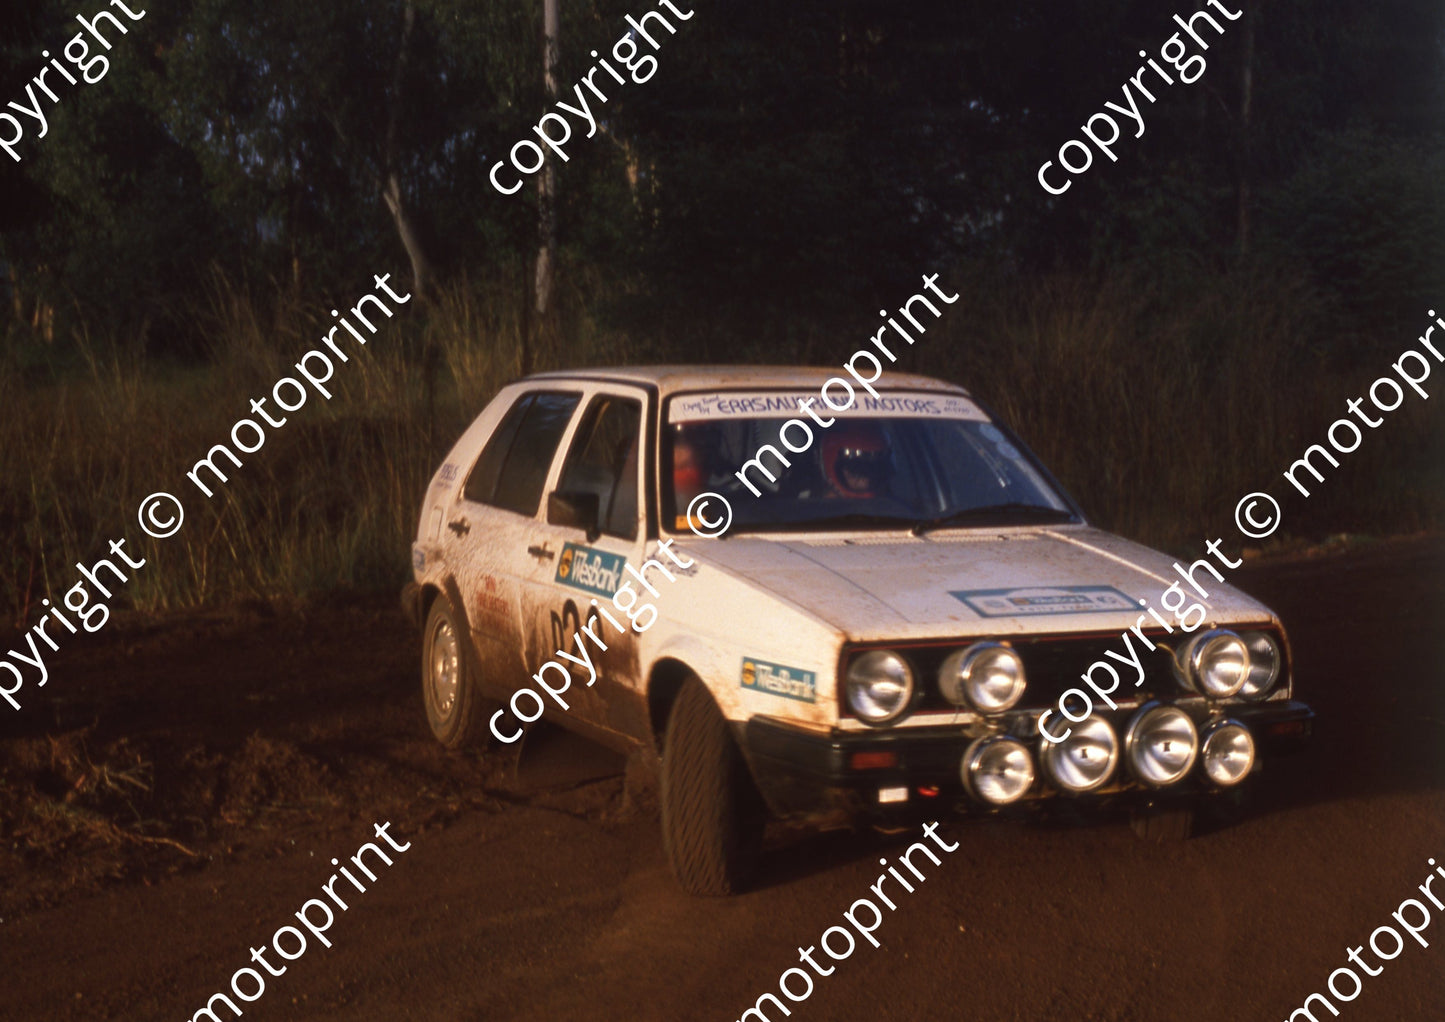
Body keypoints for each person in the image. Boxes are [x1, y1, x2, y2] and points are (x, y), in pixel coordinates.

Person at [820, 421, 894, 498]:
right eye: (855, 474)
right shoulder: (812, 508)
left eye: (874, 472)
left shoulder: (896, 506)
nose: (865, 483)